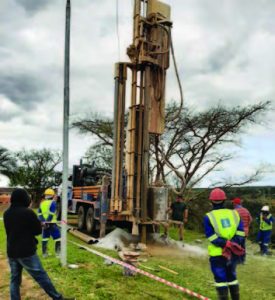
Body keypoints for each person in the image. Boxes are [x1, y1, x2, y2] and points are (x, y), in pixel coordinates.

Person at [3, 188, 72, 300]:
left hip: (12, 252)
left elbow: (11, 231)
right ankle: (58, 298)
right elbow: (37, 231)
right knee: (41, 276)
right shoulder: (28, 212)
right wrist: (40, 225)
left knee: (14, 280)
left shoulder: (7, 213)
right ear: (24, 199)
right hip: (26, 252)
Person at [204, 188, 245, 300]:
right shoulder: (235, 214)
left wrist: (224, 244)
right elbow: (241, 233)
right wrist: (232, 244)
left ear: (211, 201)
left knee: (220, 279)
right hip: (233, 252)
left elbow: (211, 237)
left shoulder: (209, 216)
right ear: (224, 200)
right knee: (232, 276)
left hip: (217, 253)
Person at [38, 188, 61, 258]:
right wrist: (47, 223)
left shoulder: (42, 203)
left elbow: (39, 214)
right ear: (53, 195)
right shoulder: (53, 203)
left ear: (45, 195)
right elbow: (51, 214)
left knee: (45, 238)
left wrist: (43, 222)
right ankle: (58, 254)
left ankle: (44, 254)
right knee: (58, 238)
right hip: (51, 224)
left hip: (44, 224)